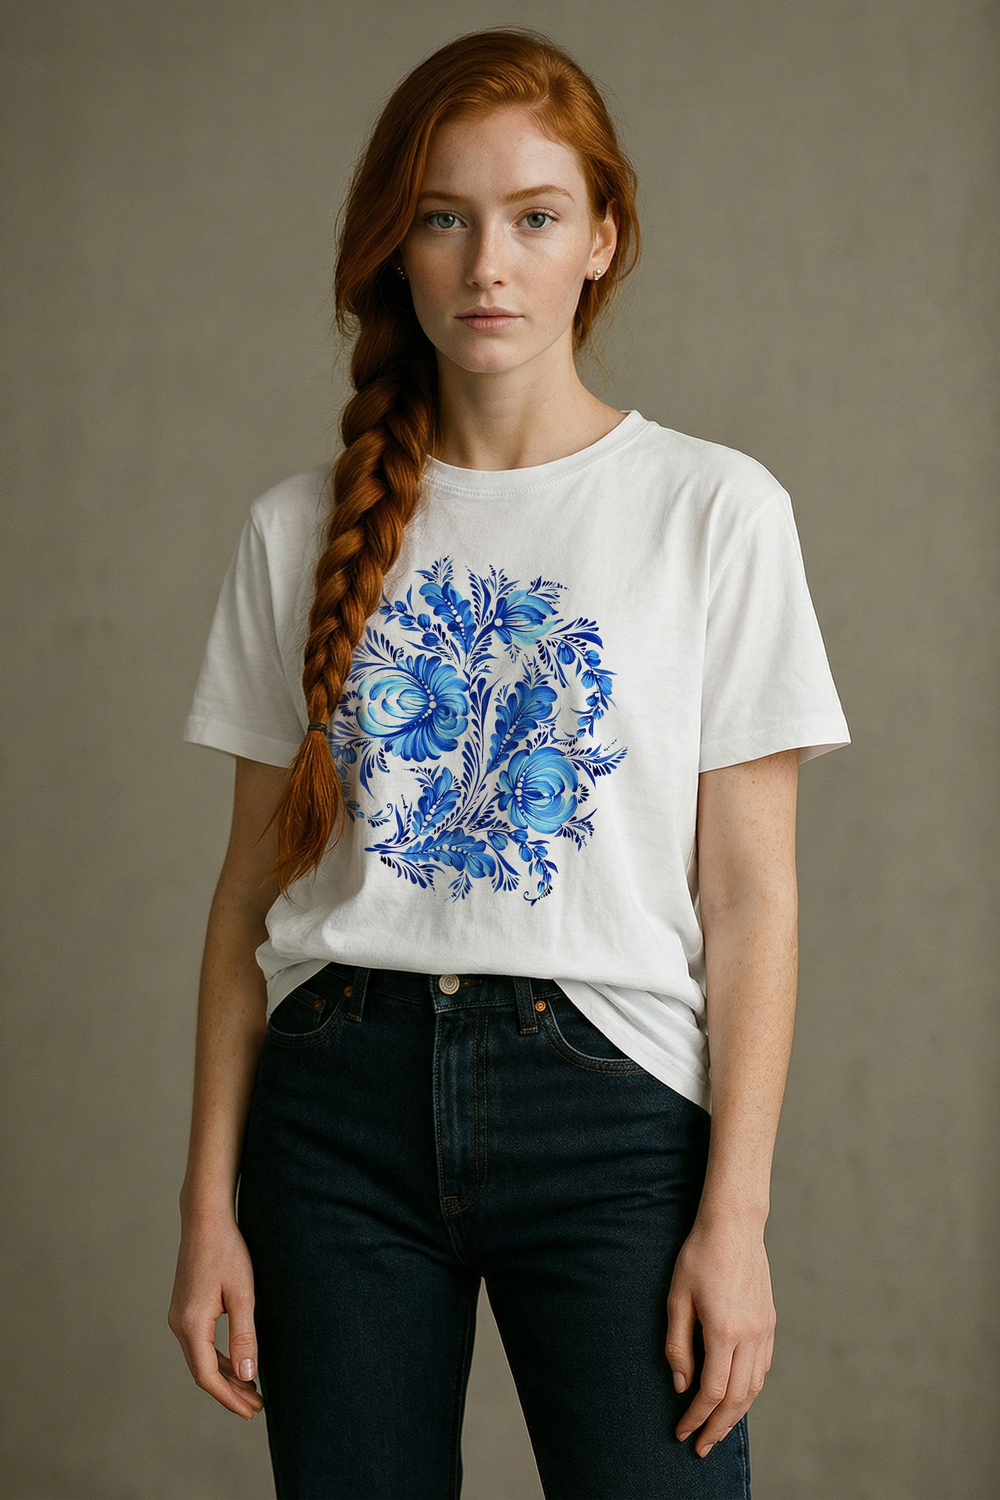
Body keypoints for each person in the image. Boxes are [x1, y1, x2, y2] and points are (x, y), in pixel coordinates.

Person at [168, 26, 850, 1500]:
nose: (489, 265)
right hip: (333, 1115)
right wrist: (207, 1204)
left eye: (536, 217)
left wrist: (735, 1221)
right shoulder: (295, 530)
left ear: (602, 240)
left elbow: (753, 904)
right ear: (394, 247)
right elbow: (243, 902)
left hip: (610, 1114)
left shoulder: (716, 512)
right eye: (444, 217)